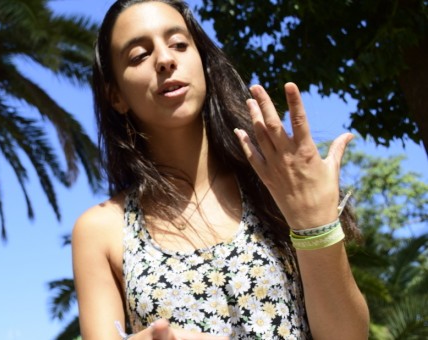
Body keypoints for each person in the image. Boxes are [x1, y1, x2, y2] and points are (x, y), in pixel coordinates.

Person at [72, 0, 370, 339]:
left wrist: (315, 225)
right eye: (140, 55)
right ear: (116, 96)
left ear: (203, 63)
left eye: (180, 45)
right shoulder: (101, 230)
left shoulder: (276, 185)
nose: (165, 59)